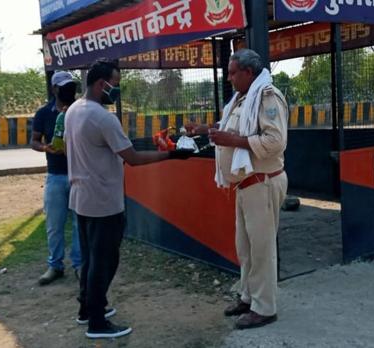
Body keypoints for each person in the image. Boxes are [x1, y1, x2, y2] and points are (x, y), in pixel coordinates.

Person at [63, 59, 191, 339]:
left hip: (81, 198)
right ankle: (97, 322)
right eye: (116, 85)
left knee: (91, 259)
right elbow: (131, 158)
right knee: (104, 261)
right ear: (101, 84)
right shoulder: (102, 117)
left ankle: (88, 308)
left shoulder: (74, 110)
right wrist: (171, 155)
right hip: (103, 201)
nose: (117, 91)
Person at [196, 49, 289, 330]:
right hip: (246, 185)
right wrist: (207, 129)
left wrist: (233, 140)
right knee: (245, 248)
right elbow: (232, 129)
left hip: (262, 182)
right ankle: (248, 297)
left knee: (261, 249)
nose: (229, 77)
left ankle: (265, 308)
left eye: (233, 72)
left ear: (249, 73)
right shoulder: (241, 100)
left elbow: (275, 141)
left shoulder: (267, 96)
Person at [31, 71, 82, 286]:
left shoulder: (81, 111)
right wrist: (46, 148)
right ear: (54, 89)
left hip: (79, 175)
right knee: (54, 224)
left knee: (81, 224)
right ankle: (55, 265)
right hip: (55, 176)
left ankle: (80, 265)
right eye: (64, 87)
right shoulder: (44, 114)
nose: (69, 90)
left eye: (71, 86)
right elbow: (34, 141)